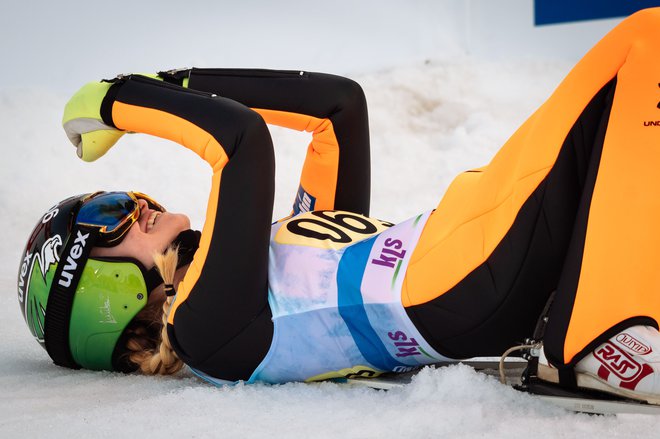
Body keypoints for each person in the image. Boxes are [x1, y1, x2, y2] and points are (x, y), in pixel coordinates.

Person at [17, 8, 660, 404]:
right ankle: (608, 332)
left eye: (125, 197)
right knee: (644, 41)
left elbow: (338, 108)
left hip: (473, 250)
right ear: (102, 293)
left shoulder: (251, 275)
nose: (137, 203)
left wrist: (174, 84)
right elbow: (241, 144)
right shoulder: (207, 333)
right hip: (465, 281)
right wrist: (117, 100)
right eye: (107, 217)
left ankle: (611, 316)